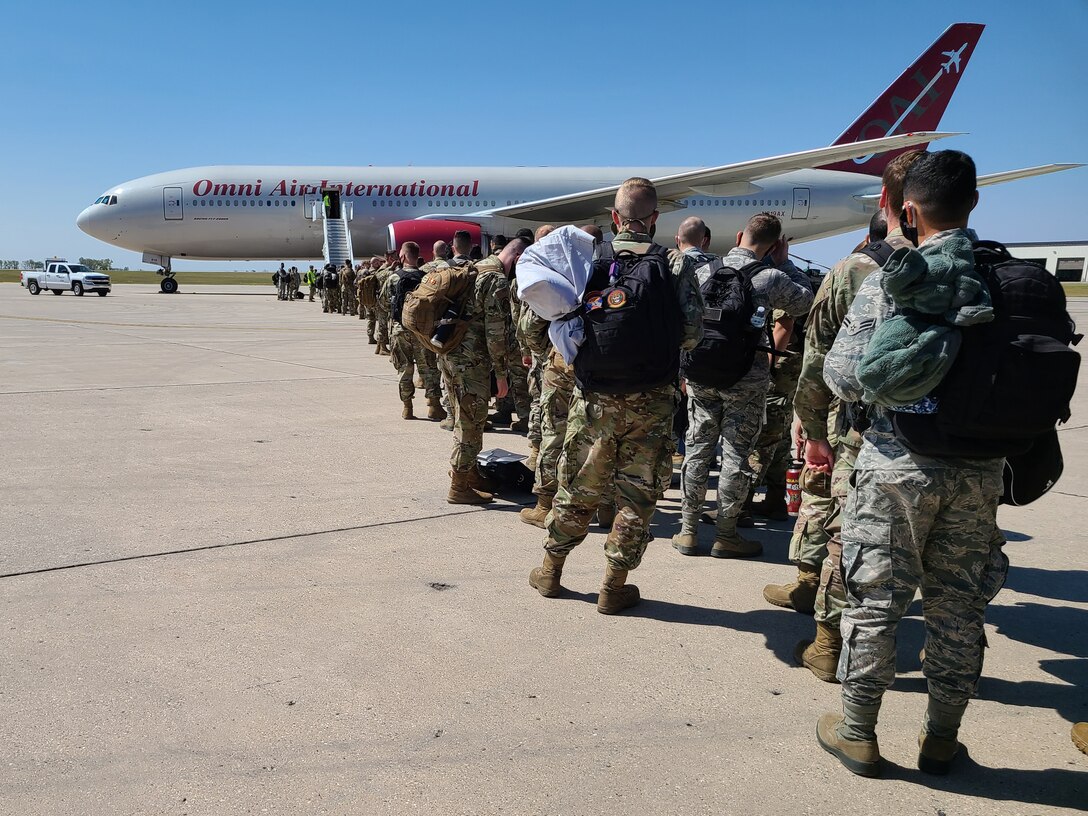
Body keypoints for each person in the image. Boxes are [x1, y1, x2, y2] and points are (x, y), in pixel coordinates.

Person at [817, 150, 1009, 778]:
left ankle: (858, 733)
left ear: (907, 210)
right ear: (973, 203)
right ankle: (942, 740)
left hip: (895, 464)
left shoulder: (890, 281)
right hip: (979, 470)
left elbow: (843, 376)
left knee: (876, 601)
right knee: (959, 607)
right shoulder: (1007, 279)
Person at [767, 151, 922, 680]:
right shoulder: (978, 268)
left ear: (885, 202)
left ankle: (829, 643)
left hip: (863, 427)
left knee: (844, 530)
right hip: (952, 438)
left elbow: (817, 357)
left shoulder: (857, 269)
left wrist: (811, 429)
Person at [528, 178, 703, 614]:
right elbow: (693, 334)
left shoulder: (587, 258)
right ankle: (612, 586)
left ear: (614, 217)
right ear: (656, 219)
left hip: (594, 400)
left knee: (579, 487)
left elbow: (545, 320)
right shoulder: (675, 265)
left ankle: (551, 571)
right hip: (653, 400)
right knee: (636, 495)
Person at [672, 213, 813, 559]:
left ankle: (688, 531)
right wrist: (785, 264)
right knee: (736, 453)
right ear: (775, 245)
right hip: (745, 379)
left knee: (698, 447)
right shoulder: (771, 277)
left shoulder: (704, 268)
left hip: (701, 373)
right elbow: (807, 301)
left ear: (738, 235)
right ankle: (726, 535)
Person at [441, 235, 531, 504]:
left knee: (462, 418)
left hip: (451, 354)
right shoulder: (497, 280)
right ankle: (459, 486)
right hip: (471, 363)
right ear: (517, 259)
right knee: (471, 422)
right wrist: (502, 375)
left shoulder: (475, 268)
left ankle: (469, 473)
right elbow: (496, 333)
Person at [383, 242, 445, 420]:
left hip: (399, 330)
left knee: (404, 368)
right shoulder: (425, 278)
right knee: (429, 367)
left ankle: (407, 407)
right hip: (421, 330)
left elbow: (384, 303)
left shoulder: (393, 278)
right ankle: (434, 406)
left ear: (402, 257)